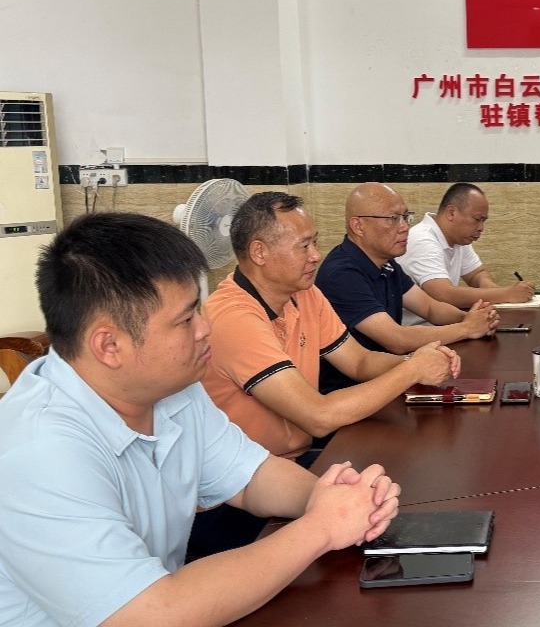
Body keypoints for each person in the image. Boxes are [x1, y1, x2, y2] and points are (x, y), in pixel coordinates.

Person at [0, 212, 400, 627]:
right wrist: (322, 527)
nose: (205, 329)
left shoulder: (171, 388)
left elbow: (251, 477)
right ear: (109, 345)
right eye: (186, 319)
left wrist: (335, 499)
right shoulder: (39, 452)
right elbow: (149, 616)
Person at [196, 192, 459, 555]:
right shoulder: (233, 317)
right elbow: (318, 417)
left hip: (291, 466)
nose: (316, 255)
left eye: (315, 242)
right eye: (303, 246)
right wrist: (412, 368)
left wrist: (420, 362)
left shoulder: (304, 294)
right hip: (231, 498)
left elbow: (360, 362)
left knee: (404, 489)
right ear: (259, 253)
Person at [315, 182, 499, 392]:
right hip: (352, 391)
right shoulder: (342, 274)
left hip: (390, 378)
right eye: (393, 218)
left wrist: (473, 318)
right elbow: (397, 340)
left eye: (405, 217)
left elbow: (430, 308)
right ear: (358, 226)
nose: (404, 227)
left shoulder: (386, 263)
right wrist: (467, 328)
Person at [401, 183, 536, 321]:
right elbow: (443, 295)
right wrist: (506, 294)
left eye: (483, 221)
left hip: (443, 324)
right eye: (477, 219)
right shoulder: (422, 240)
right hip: (419, 330)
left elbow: (476, 274)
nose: (481, 228)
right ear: (451, 213)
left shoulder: (458, 238)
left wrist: (488, 287)